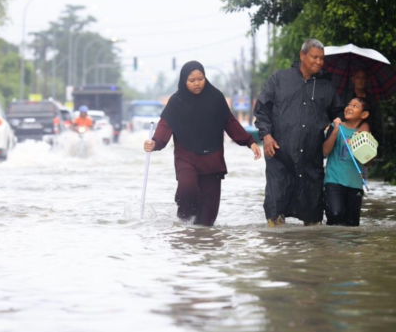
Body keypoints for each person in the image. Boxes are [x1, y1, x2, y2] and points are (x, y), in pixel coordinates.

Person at [144, 61, 261, 226]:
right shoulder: (176, 102)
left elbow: (230, 123)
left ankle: (202, 244)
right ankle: (183, 229)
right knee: (187, 189)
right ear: (184, 81)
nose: (197, 83)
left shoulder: (216, 98)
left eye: (201, 78)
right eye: (192, 80)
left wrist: (250, 142)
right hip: (186, 156)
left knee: (206, 221)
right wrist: (154, 143)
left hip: (212, 159)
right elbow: (165, 126)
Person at [255, 38, 343, 227]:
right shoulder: (279, 79)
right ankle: (279, 254)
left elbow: (339, 116)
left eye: (321, 58)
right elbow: (262, 110)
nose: (318, 62)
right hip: (280, 157)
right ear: (302, 55)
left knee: (313, 220)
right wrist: (267, 136)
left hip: (311, 161)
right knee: (276, 214)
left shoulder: (326, 87)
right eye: (314, 57)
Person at [323, 97, 372, 226]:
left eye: (355, 106)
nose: (349, 107)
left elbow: (367, 162)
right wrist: (335, 132)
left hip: (354, 184)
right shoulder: (335, 127)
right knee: (335, 214)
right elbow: (325, 151)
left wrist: (362, 146)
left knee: (352, 224)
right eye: (349, 104)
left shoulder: (364, 134)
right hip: (333, 181)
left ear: (364, 114)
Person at [341, 69, 383, 145]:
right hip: (345, 135)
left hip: (366, 140)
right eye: (358, 78)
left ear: (367, 80)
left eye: (363, 78)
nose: (360, 81)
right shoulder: (345, 96)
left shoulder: (372, 100)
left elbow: (377, 123)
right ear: (353, 79)